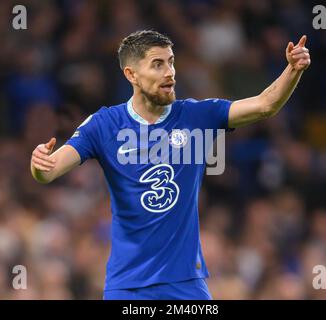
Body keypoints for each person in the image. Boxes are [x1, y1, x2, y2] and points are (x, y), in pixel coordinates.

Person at [30, 30, 311, 300]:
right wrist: (39, 163)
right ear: (132, 75)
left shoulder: (197, 115)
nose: (170, 72)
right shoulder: (104, 125)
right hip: (128, 285)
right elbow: (50, 170)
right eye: (158, 64)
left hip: (185, 283)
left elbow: (265, 105)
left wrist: (292, 69)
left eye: (171, 62)